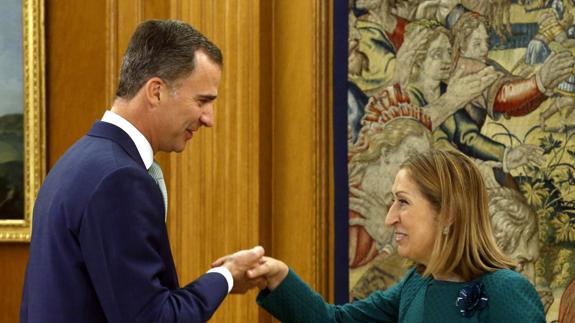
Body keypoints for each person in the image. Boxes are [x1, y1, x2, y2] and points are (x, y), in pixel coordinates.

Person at [20, 20, 265, 322]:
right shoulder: (119, 180)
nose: (209, 119)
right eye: (202, 101)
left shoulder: (77, 162)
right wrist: (226, 277)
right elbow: (152, 318)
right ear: (156, 91)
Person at [251, 150, 547, 322]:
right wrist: (277, 276)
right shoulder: (415, 285)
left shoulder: (507, 290)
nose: (390, 218)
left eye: (403, 202)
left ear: (448, 213)